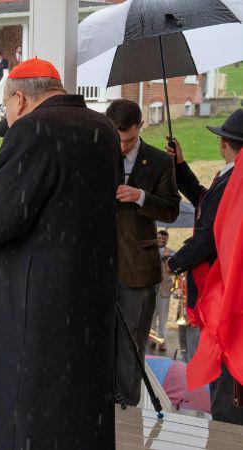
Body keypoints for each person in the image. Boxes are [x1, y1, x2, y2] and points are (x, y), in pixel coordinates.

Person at [0, 58, 120, 448]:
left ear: (21, 99)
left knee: (25, 407)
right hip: (84, 293)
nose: (7, 118)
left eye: (6, 108)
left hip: (35, 305)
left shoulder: (33, 130)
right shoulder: (103, 128)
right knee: (76, 402)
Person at [166, 108, 242, 425]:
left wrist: (173, 262)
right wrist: (180, 167)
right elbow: (203, 201)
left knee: (226, 392)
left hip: (222, 297)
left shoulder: (234, 183)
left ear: (224, 142)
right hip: (223, 294)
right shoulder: (230, 179)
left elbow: (209, 235)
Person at [104, 99, 180, 405]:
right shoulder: (95, 156)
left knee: (131, 344)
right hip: (99, 266)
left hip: (138, 267)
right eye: (116, 140)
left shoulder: (160, 162)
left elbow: (173, 210)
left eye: (128, 140)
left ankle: (127, 407)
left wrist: (141, 197)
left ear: (140, 128)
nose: (121, 147)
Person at [152, 230, 175, 352]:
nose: (161, 241)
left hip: (165, 289)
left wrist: (167, 258)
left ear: (167, 240)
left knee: (163, 317)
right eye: (159, 239)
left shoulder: (171, 252)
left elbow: (175, 266)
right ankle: (152, 339)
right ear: (156, 238)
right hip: (151, 289)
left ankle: (161, 341)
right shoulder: (150, 252)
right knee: (151, 316)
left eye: (164, 239)